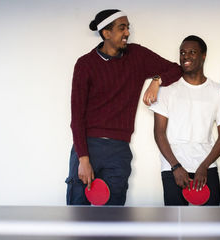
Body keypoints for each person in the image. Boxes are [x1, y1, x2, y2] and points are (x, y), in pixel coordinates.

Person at [66, 9, 182, 205]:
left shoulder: (137, 55)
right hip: (87, 147)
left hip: (118, 149)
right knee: (78, 214)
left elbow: (175, 69)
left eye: (128, 27)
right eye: (122, 28)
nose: (127, 33)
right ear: (106, 33)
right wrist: (83, 159)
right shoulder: (85, 64)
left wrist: (157, 80)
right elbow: (77, 117)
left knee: (114, 219)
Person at [150, 35, 220, 206]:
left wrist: (204, 166)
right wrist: (176, 166)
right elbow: (159, 133)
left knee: (209, 225)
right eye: (182, 52)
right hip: (173, 168)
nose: (186, 56)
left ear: (203, 55)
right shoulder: (166, 90)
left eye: (192, 52)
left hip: (206, 168)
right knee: (176, 227)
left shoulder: (219, 91)